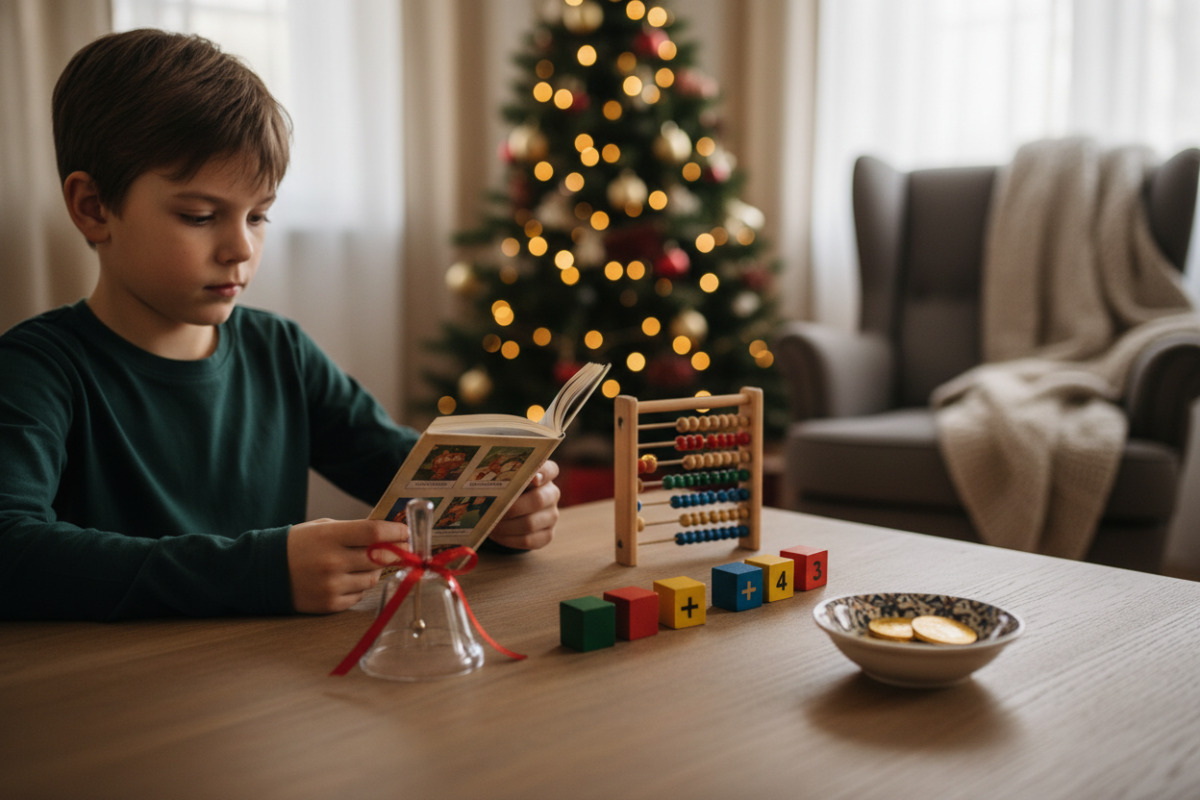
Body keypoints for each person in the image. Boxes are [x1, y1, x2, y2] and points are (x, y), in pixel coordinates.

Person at [0, 29, 560, 621]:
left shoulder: (280, 350)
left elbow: (408, 475)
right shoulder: (35, 370)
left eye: (259, 214)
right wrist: (260, 570)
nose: (240, 247)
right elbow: (11, 549)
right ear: (93, 208)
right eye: (199, 216)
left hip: (275, 688)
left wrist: (497, 510)